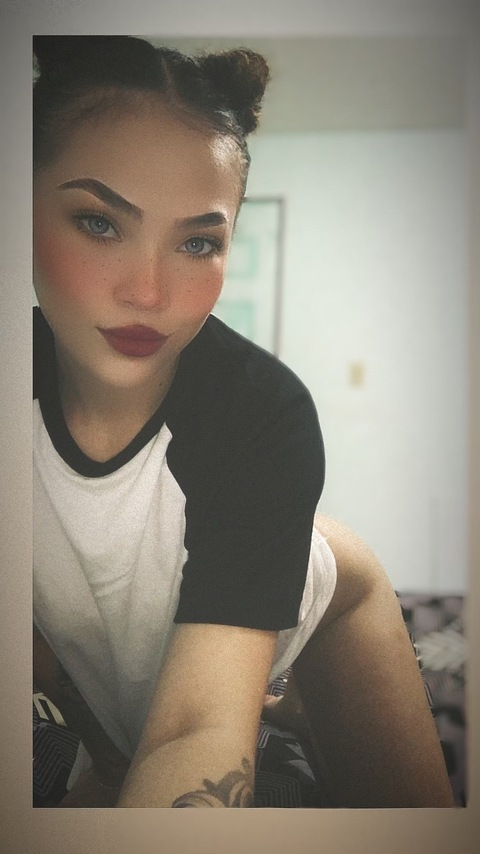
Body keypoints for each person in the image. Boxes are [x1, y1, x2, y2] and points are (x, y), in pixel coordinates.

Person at [32, 35, 454, 809]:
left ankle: (279, 692)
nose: (149, 292)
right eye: (99, 223)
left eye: (198, 242)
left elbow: (195, 735)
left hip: (328, 596)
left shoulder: (264, 413)